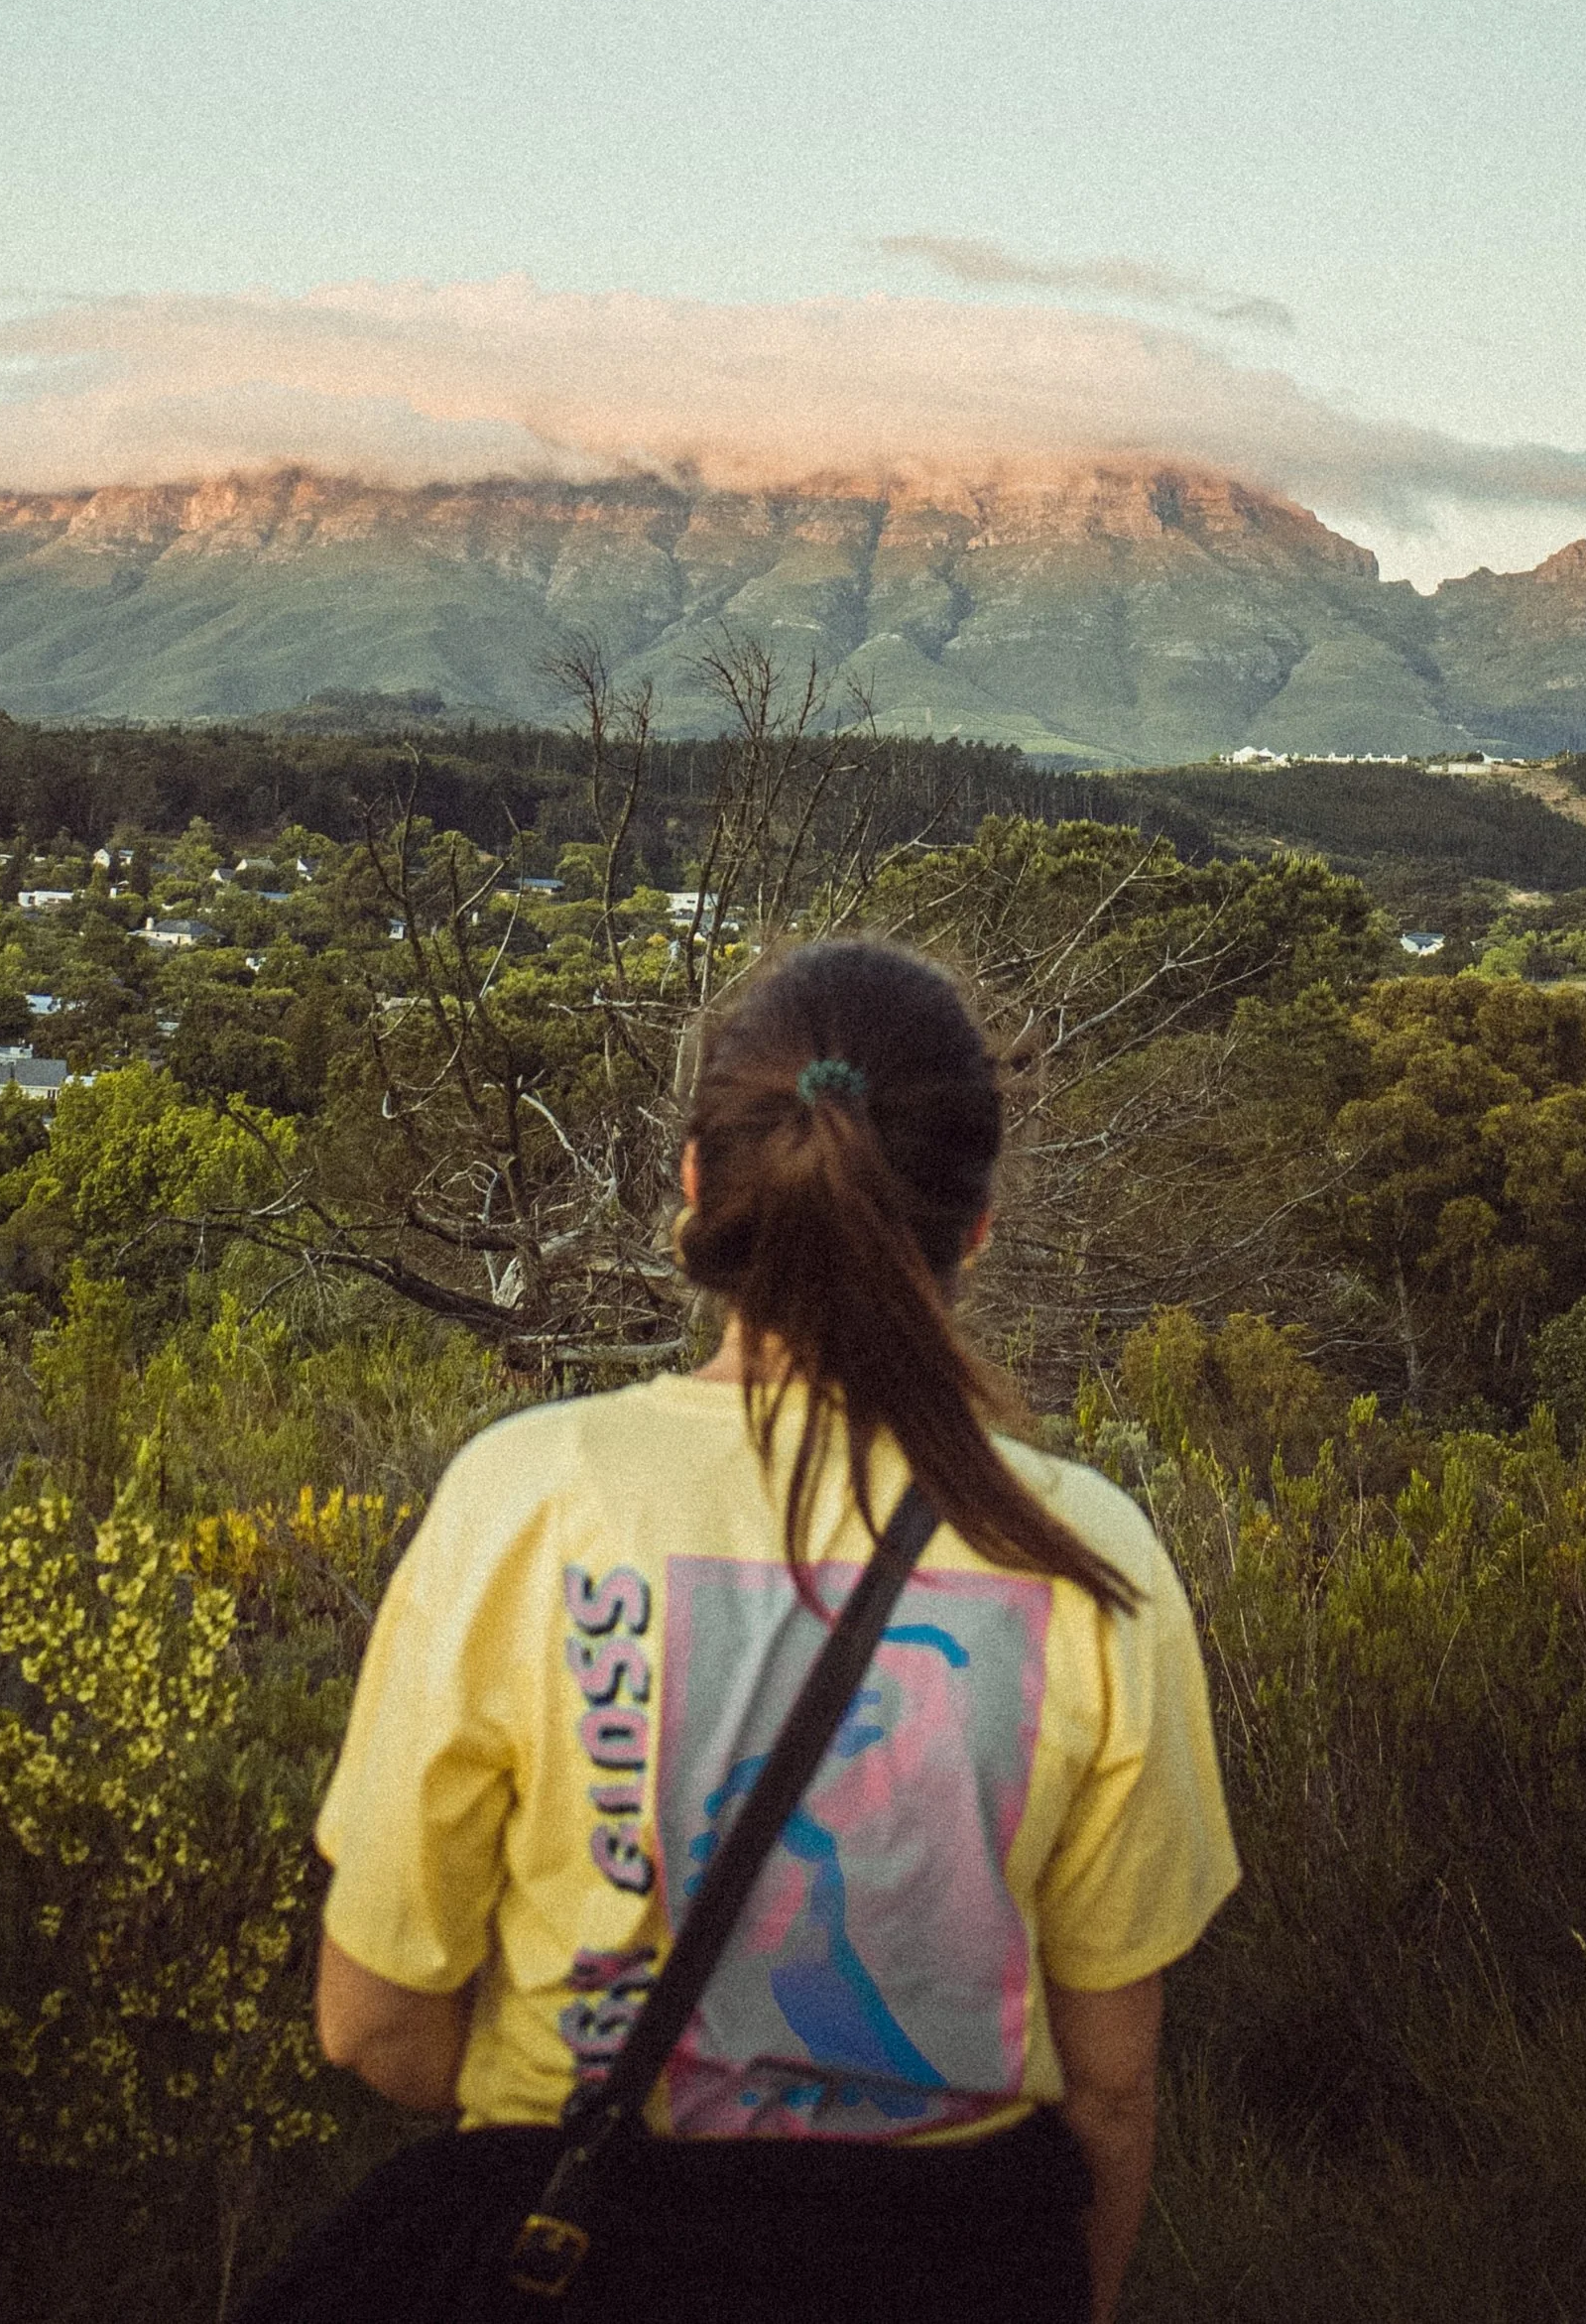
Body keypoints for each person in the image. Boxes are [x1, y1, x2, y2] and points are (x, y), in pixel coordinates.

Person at [307, 937, 1238, 2321]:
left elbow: (375, 2022)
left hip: (597, 2264)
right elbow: (1110, 2090)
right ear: (975, 1221)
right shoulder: (1092, 1556)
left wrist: (577, 2119)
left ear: (695, 1187)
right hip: (956, 2271)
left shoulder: (529, 1496)